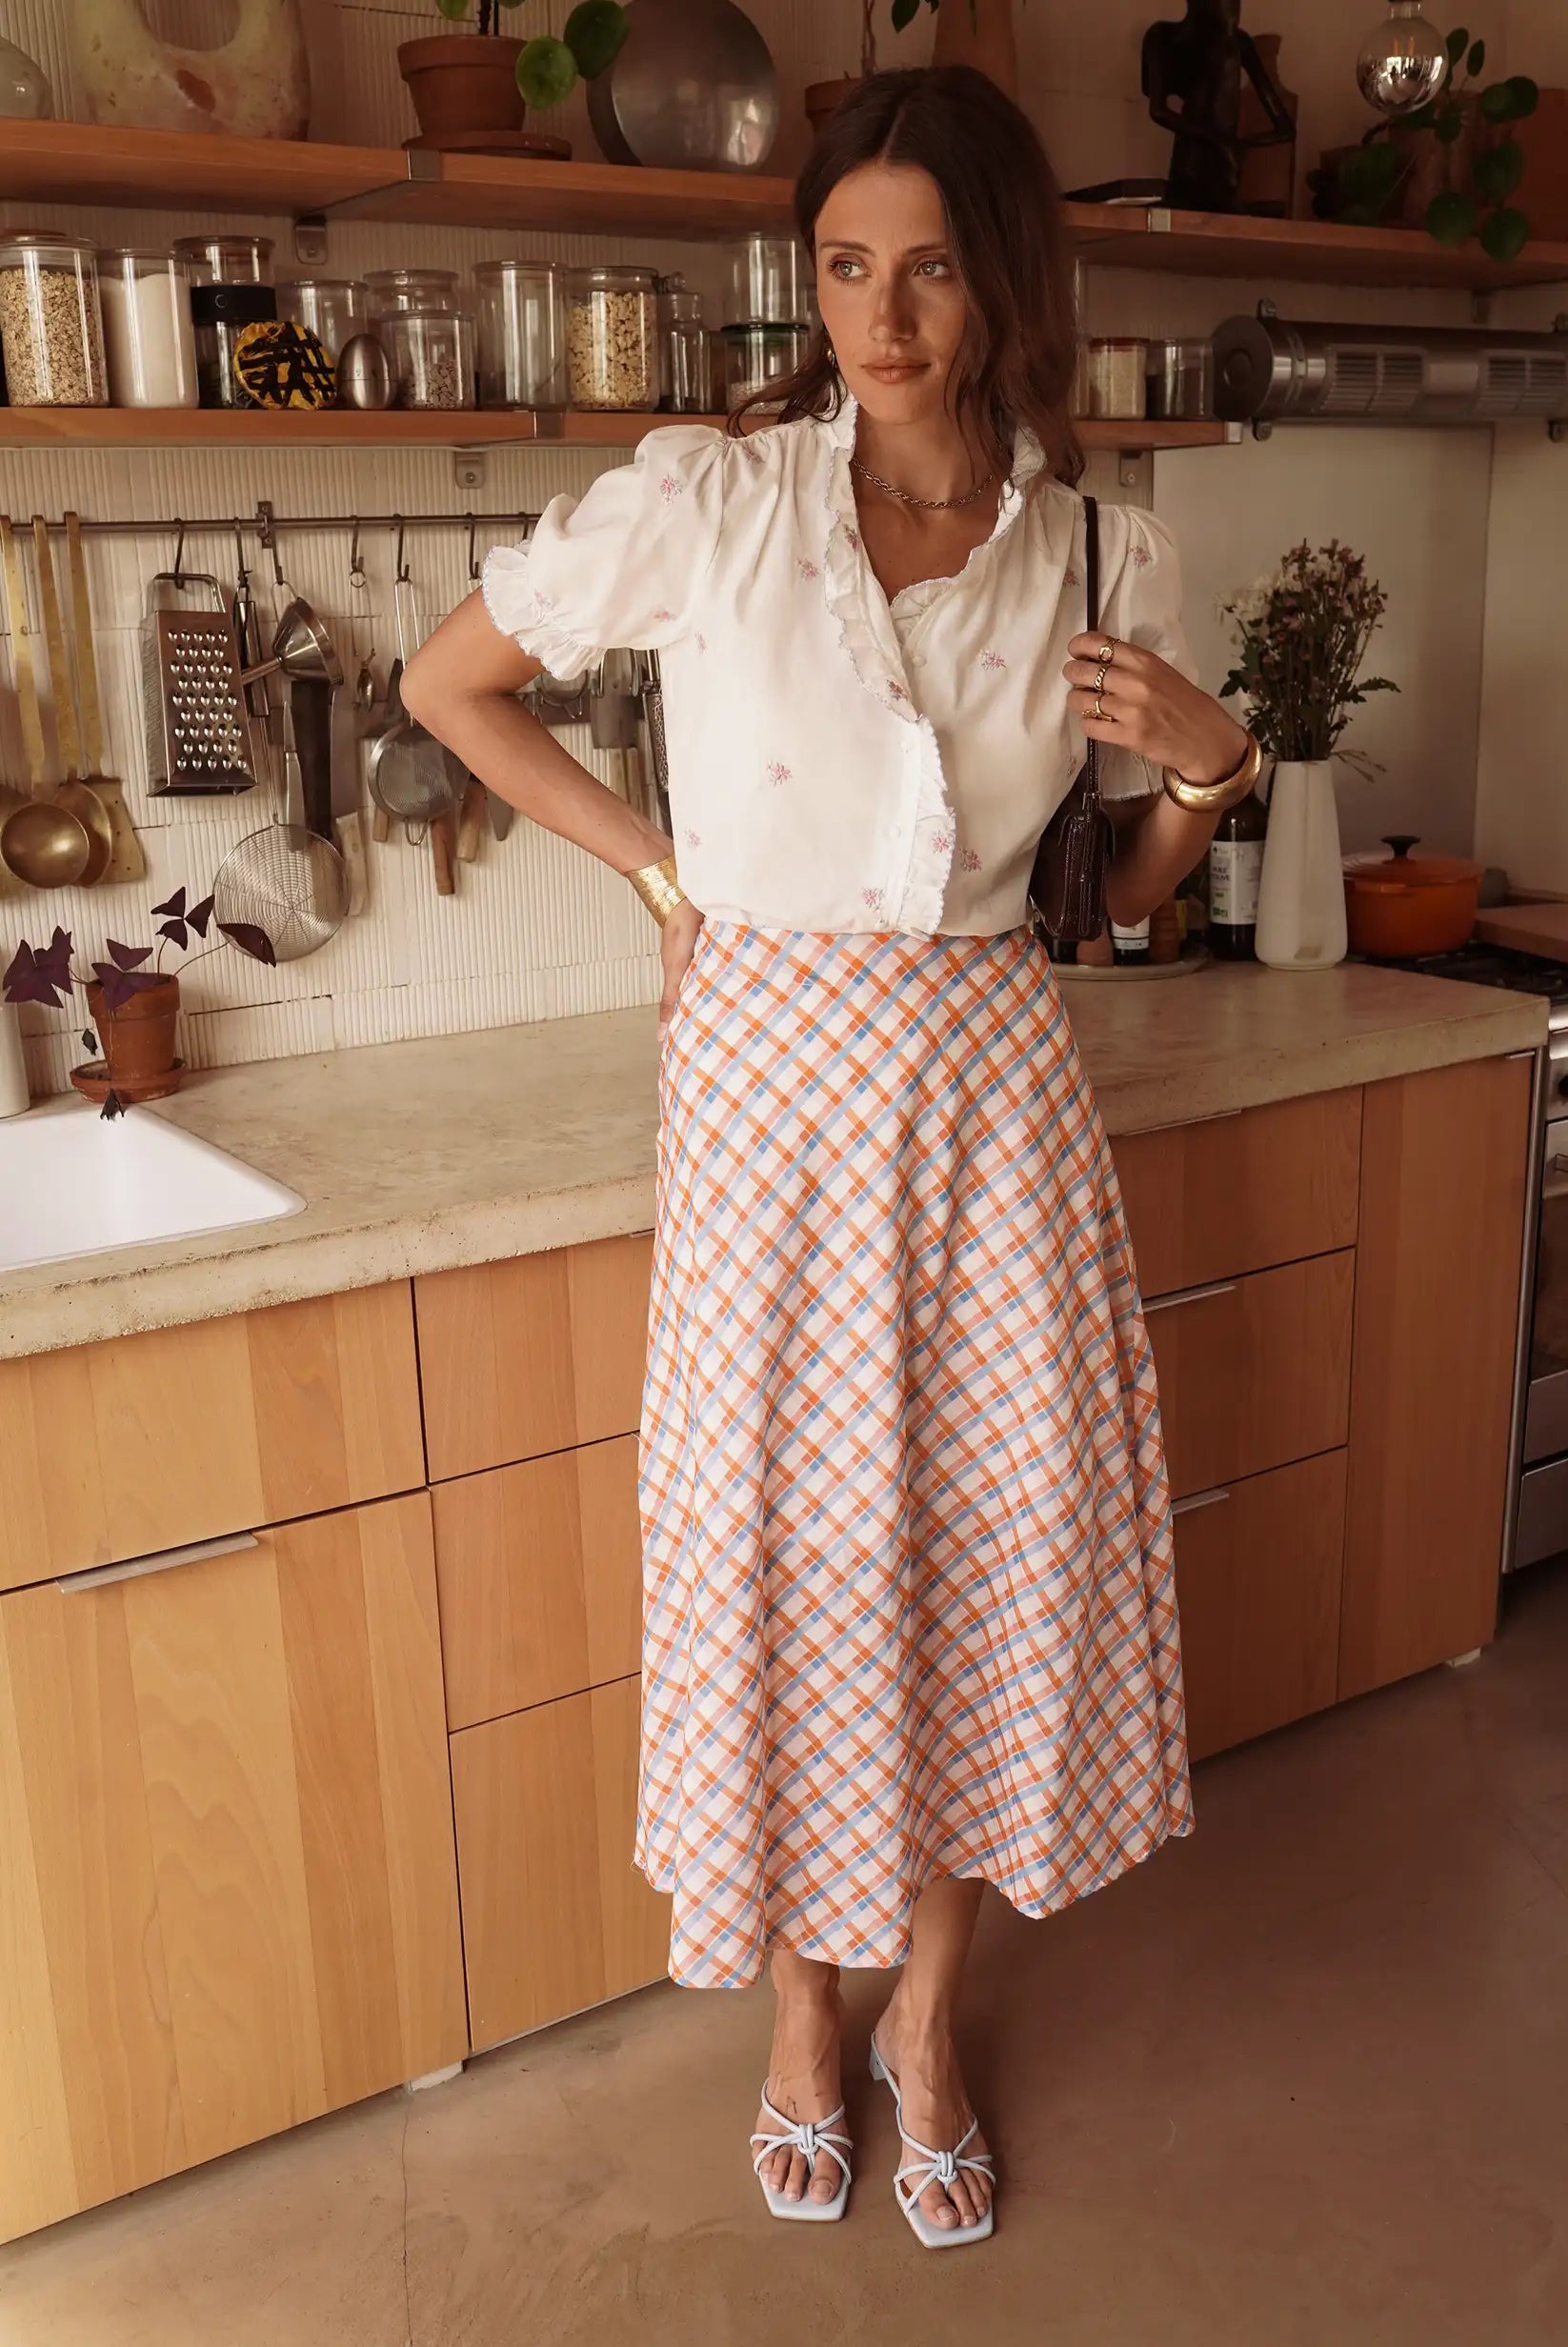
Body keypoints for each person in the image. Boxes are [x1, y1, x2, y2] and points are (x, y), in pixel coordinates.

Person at [401, 64, 1258, 2251]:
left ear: (1005, 286)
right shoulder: (706, 500)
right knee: (785, 1564)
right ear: (811, 279)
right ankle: (801, 2015)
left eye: (931, 268)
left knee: (987, 1559)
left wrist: (1215, 771)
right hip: (769, 1104)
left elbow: (1118, 901)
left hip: (989, 1094)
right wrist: (663, 878)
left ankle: (928, 2017)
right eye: (845, 266)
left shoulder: (1095, 539)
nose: (884, 315)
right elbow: (452, 684)